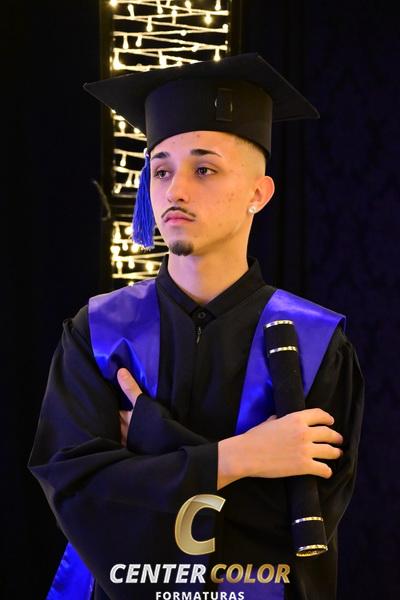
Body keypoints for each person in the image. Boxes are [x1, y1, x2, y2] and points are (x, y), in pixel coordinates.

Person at [29, 53, 364, 600]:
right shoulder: (99, 332)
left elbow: (300, 527)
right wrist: (244, 457)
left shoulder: (315, 341)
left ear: (259, 194)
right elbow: (79, 494)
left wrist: (151, 442)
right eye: (161, 170)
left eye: (203, 169)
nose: (174, 190)